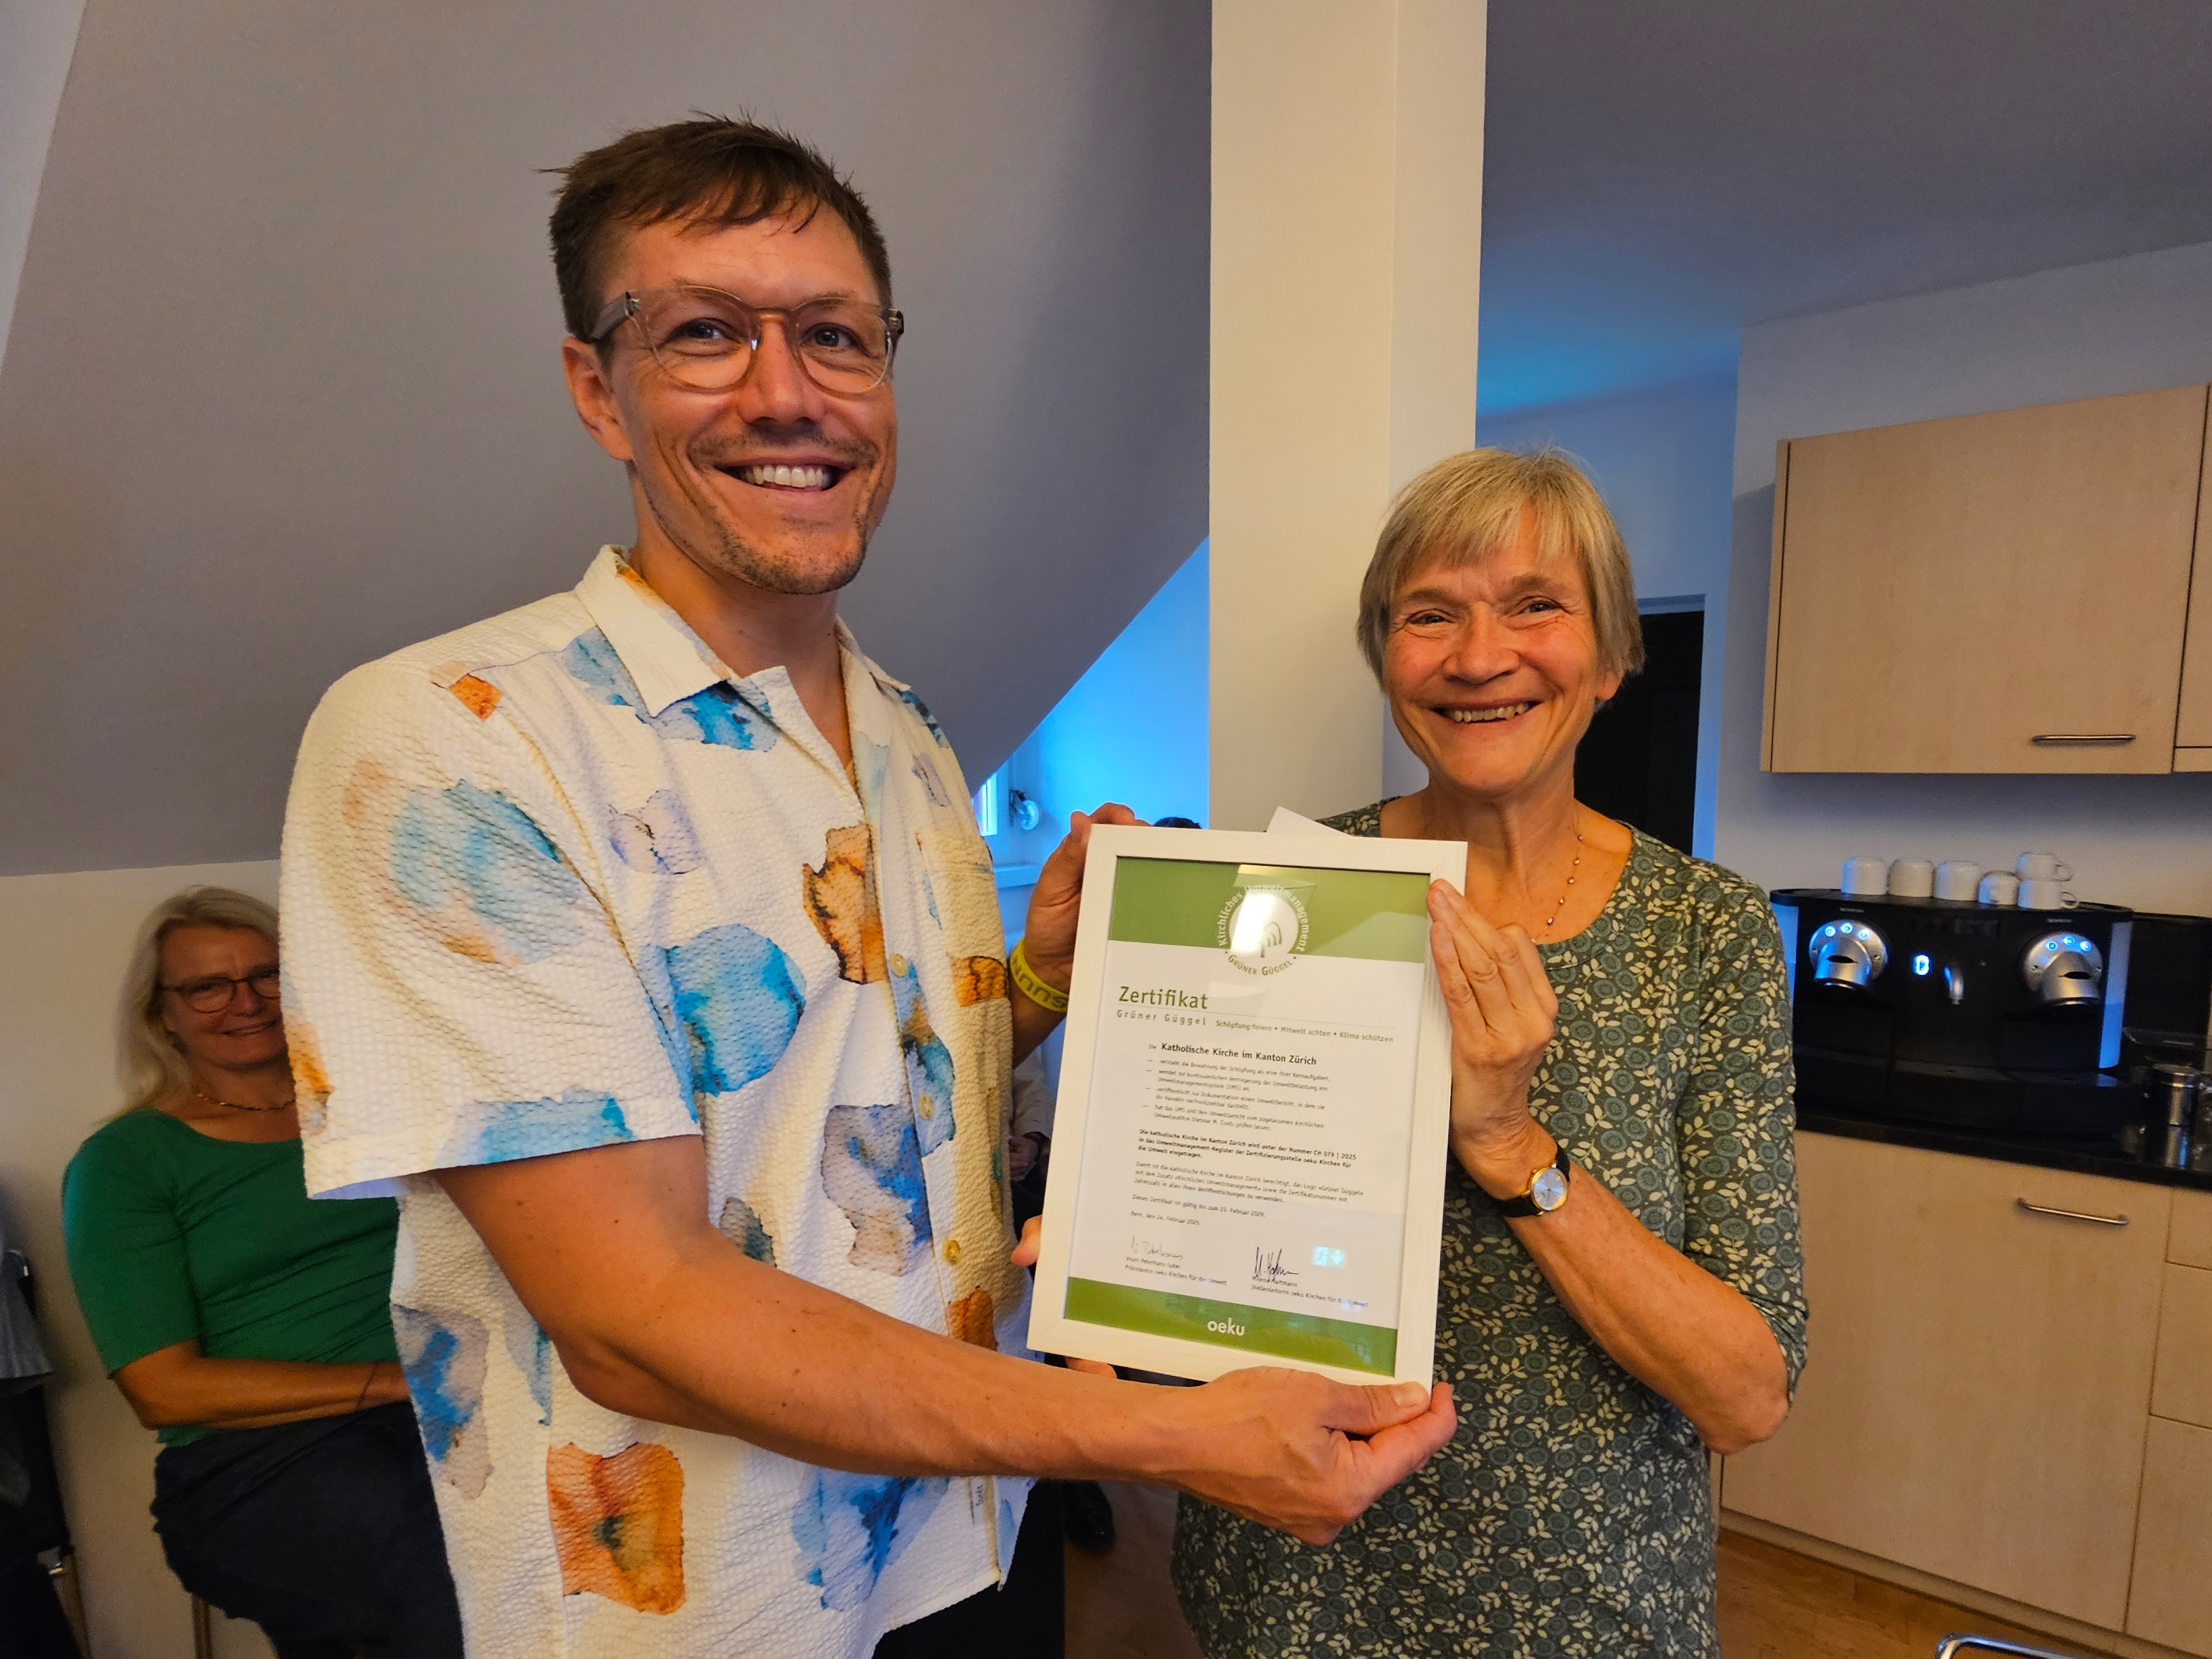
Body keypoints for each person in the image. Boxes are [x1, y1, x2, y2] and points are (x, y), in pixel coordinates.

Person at [277, 117, 1456, 1659]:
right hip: (715, 1605)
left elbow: (878, 1110)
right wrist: (1173, 1435)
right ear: (597, 386)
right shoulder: (450, 741)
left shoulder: (908, 729)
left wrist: (1032, 985)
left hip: (973, 1533)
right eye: (704, 332)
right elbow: (635, 1316)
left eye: (834, 336)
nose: (786, 391)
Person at [1171, 448, 1809, 1658]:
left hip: (1587, 1601)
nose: (1477, 657)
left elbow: (1745, 1393)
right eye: (1429, 615)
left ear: (1610, 656)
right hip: (1297, 1584)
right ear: (1385, 659)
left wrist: (1509, 1143)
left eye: (1535, 605)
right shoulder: (1287, 894)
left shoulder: (1705, 933)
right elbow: (1207, 1250)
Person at [60, 888, 463, 1659]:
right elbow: (165, 1389)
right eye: (207, 987)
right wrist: (400, 1382)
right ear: (162, 1014)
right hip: (261, 1461)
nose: (246, 1002)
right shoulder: (124, 1163)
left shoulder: (378, 1116)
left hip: (446, 1414)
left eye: (268, 974)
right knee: (430, 1566)